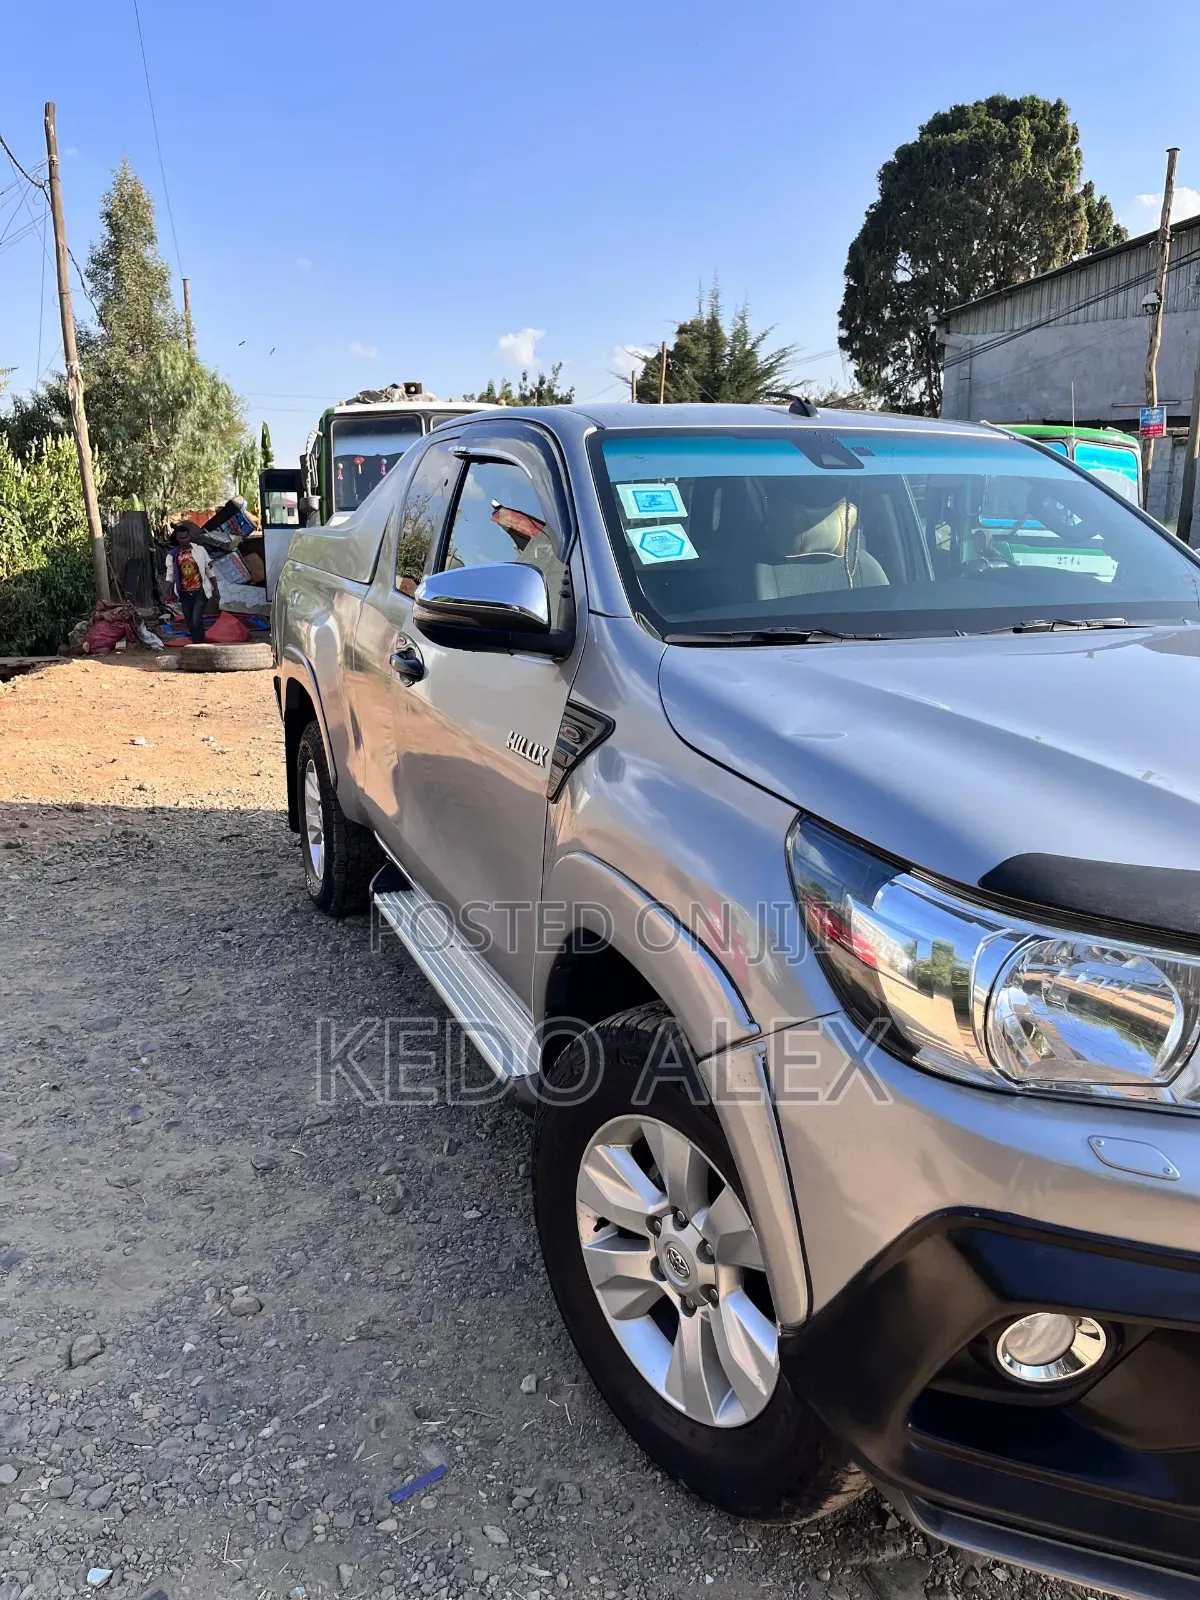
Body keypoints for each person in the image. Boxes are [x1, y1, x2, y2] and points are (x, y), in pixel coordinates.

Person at [164, 524, 217, 643]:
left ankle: (200, 643)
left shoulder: (200, 550)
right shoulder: (172, 555)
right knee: (189, 621)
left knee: (196, 619)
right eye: (181, 538)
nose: (184, 540)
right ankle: (197, 642)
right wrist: (166, 592)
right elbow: (170, 575)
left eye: (186, 537)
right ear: (177, 538)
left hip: (200, 591)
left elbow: (209, 569)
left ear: (189, 536)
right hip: (184, 593)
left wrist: (216, 589)